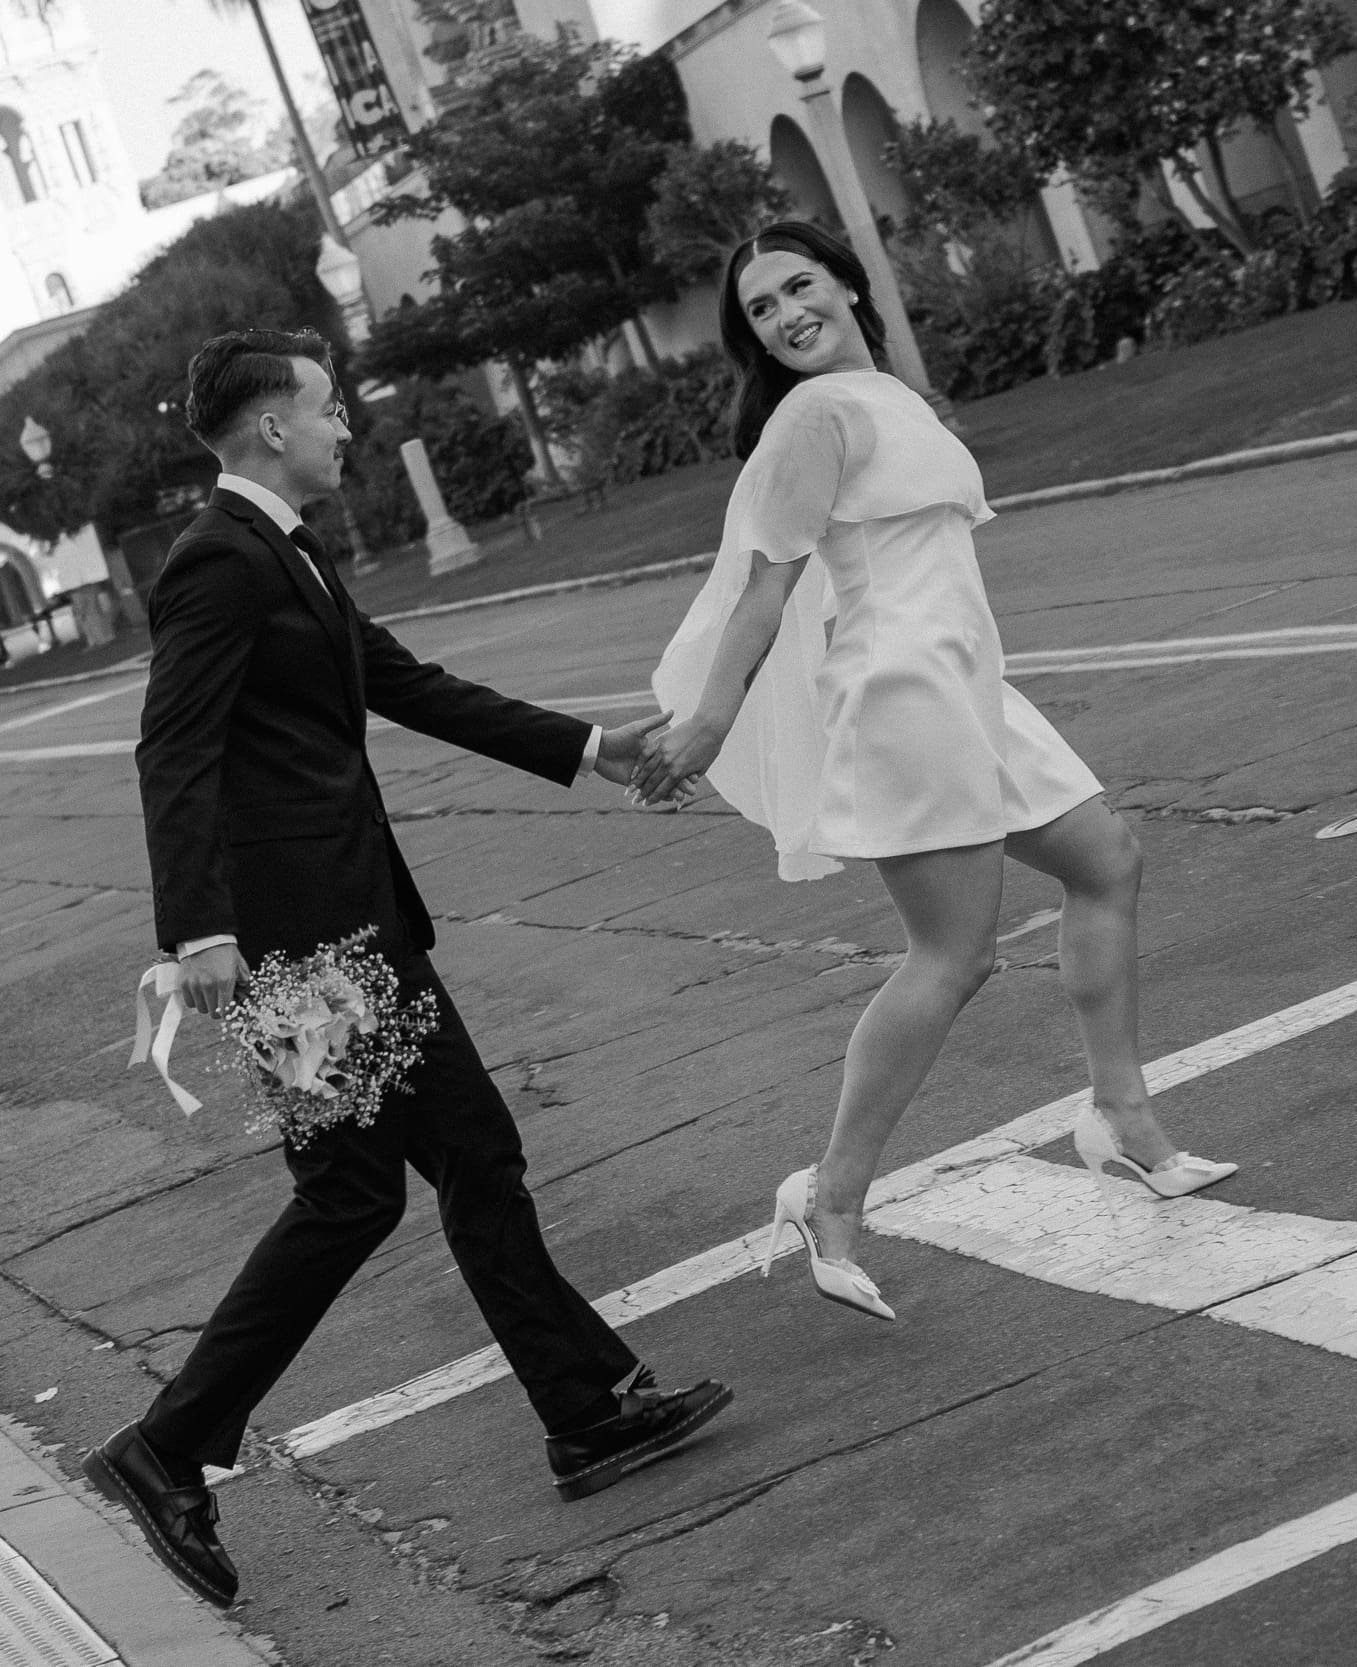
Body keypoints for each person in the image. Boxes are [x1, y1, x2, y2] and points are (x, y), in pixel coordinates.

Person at [92, 328, 732, 1610]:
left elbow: (405, 684)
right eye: (329, 407)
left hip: (351, 936)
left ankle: (583, 1406)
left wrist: (590, 747)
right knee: (348, 1194)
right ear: (271, 425)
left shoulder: (287, 546)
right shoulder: (218, 561)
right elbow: (174, 751)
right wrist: (198, 930)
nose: (347, 423)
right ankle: (167, 1448)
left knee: (472, 1156)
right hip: (299, 957)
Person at [633, 223, 1236, 1325]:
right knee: (949, 957)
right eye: (760, 309)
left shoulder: (890, 399)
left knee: (1106, 859)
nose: (782, 316)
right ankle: (831, 1194)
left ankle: (1121, 1117)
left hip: (969, 682)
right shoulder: (811, 416)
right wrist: (707, 721)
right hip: (904, 695)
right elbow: (763, 592)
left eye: (796, 287)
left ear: (850, 285)